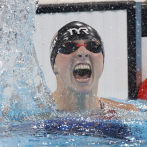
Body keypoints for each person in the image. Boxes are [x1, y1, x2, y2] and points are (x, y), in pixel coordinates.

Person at [50, 21, 139, 113]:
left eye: (93, 46)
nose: (83, 52)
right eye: (69, 47)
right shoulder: (38, 113)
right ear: (54, 65)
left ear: (102, 62)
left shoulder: (126, 112)